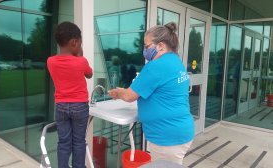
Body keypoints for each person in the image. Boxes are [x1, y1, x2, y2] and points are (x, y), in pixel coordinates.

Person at [108, 22, 194, 165]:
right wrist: (126, 92)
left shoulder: (156, 66)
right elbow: (157, 89)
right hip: (180, 130)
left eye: (147, 46)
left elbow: (130, 96)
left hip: (167, 136)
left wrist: (118, 93)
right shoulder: (176, 62)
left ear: (160, 45)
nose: (144, 50)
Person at [47, 21, 93, 168]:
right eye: (80, 44)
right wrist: (80, 56)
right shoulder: (81, 61)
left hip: (60, 107)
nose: (80, 47)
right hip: (79, 106)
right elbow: (90, 74)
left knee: (63, 142)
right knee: (79, 141)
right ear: (74, 42)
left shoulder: (50, 61)